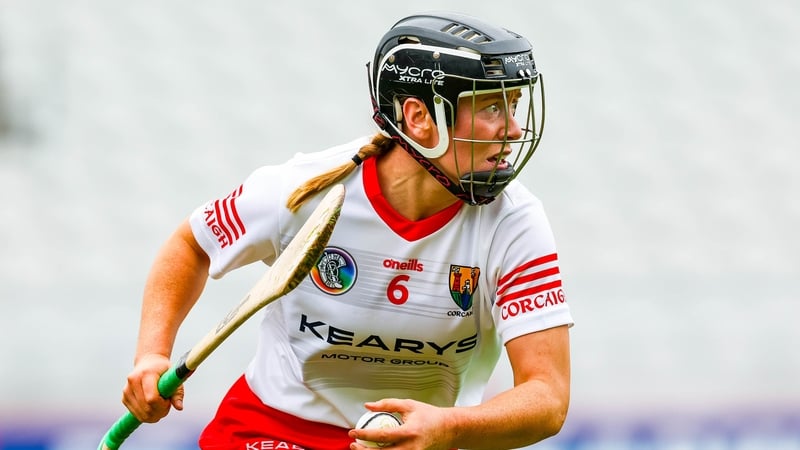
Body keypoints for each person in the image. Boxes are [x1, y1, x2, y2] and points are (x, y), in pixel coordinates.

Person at [121, 11, 573, 450]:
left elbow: (547, 397)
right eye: (493, 107)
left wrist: (450, 427)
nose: (513, 130)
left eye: (513, 106)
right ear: (419, 117)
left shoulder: (514, 224)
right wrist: (151, 354)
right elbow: (192, 244)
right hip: (274, 429)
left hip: (417, 442)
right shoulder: (300, 190)